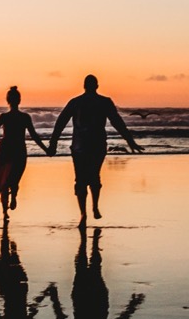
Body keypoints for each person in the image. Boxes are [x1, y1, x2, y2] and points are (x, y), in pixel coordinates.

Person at [48, 74, 143, 225]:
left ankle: (83, 214)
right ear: (97, 86)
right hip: (97, 146)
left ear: (84, 86)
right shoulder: (104, 102)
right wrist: (130, 141)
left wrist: (53, 143)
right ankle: (95, 207)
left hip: (79, 146)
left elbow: (60, 123)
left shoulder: (75, 102)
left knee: (80, 180)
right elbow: (117, 122)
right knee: (94, 176)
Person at [0, 86, 49, 219]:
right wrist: (46, 149)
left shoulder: (4, 117)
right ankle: (14, 197)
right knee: (15, 178)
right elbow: (34, 136)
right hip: (19, 150)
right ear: (19, 100)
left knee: (4, 181)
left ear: (7, 101)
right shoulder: (25, 117)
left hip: (5, 150)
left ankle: (5, 212)